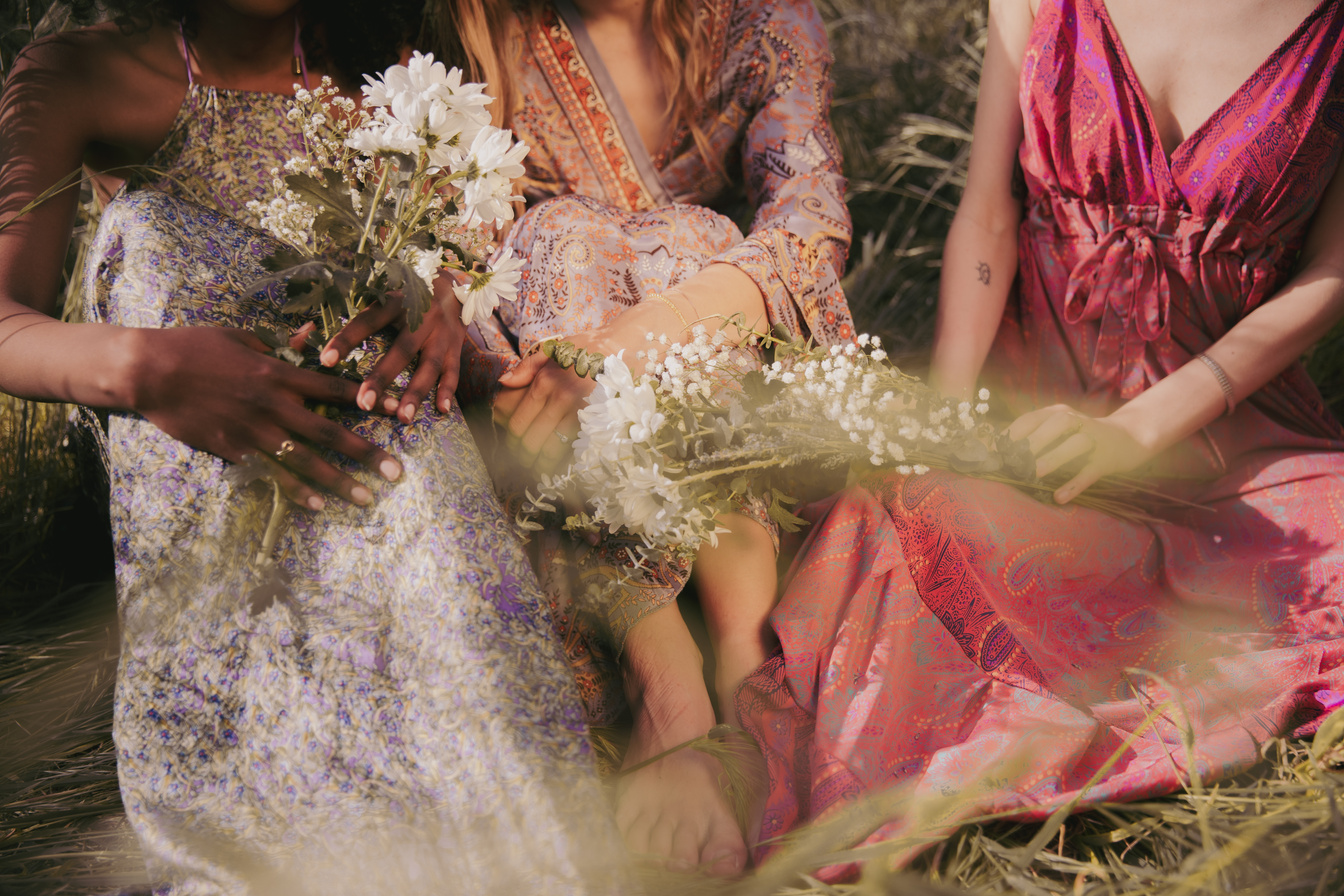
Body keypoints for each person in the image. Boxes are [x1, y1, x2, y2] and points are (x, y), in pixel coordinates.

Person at [0, 1, 632, 891]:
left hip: (397, 466)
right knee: (144, 234)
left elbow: (434, 259)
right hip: (214, 470)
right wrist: (147, 369)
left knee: (491, 775)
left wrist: (436, 304)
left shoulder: (378, 75)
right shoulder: (77, 75)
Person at [734, 0, 1344, 873]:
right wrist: (943, 415)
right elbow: (988, 210)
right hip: (1031, 411)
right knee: (919, 540)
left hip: (1231, 430)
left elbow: (1333, 268)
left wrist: (1142, 429)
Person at [422, 0, 853, 874]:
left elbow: (809, 219)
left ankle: (741, 634)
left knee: (701, 236)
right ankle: (667, 673)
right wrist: (523, 359)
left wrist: (635, 341)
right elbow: (449, 250)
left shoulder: (762, 22)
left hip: (711, 361)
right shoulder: (481, 29)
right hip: (536, 368)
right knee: (561, 232)